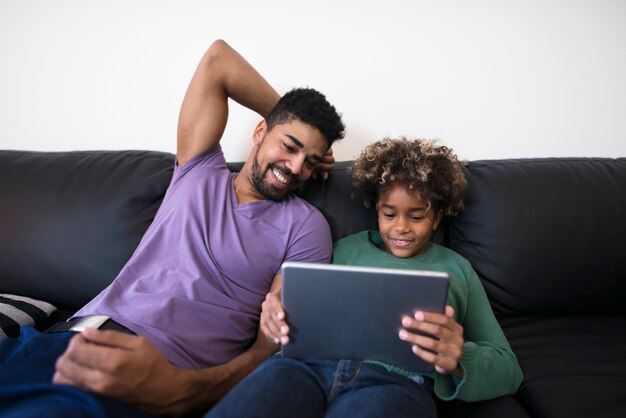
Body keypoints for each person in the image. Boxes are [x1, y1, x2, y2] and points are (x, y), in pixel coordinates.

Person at [0, 39, 345, 417]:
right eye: (289, 146)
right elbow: (218, 59)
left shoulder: (307, 226)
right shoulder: (199, 169)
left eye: (311, 161)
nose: (297, 168)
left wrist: (188, 391)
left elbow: (269, 346)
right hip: (65, 337)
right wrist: (285, 112)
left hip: (154, 370)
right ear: (260, 131)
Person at [206, 138, 523, 418]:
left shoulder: (457, 268)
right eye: (389, 214)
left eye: (417, 217)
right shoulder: (343, 248)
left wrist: (458, 360)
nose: (400, 227)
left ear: (437, 217)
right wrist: (277, 309)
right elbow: (299, 301)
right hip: (303, 369)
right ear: (376, 209)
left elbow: (508, 368)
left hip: (395, 384)